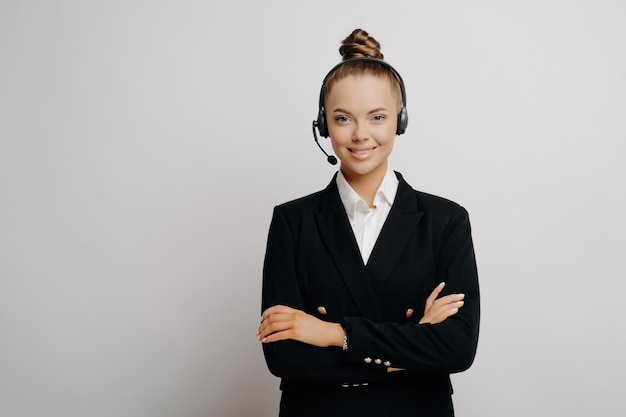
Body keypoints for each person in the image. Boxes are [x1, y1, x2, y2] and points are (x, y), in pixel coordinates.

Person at [257, 28, 480, 417]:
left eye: (377, 117)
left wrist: (331, 334)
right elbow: (284, 356)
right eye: (343, 118)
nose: (361, 134)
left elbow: (456, 348)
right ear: (323, 125)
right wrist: (413, 347)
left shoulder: (446, 221)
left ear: (400, 120)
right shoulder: (292, 221)